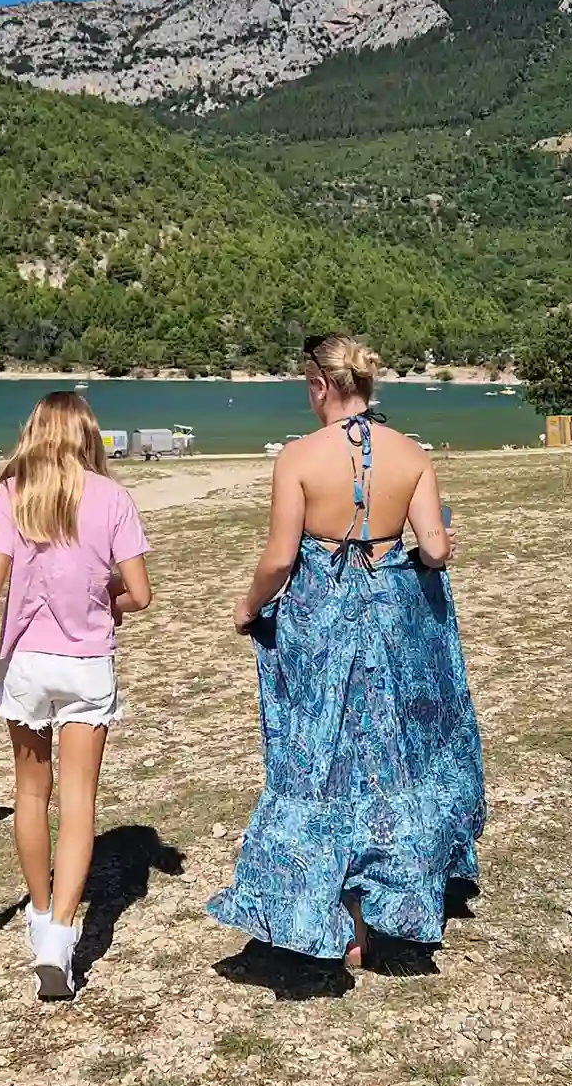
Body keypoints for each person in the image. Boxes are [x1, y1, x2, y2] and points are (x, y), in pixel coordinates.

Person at [207, 334, 485, 968]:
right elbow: (437, 550)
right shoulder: (411, 454)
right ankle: (390, 908)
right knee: (393, 760)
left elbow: (280, 558)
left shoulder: (298, 459)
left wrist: (248, 607)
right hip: (394, 628)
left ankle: (334, 918)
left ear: (320, 386)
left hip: (319, 630)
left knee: (320, 762)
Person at [0, 392, 151, 999]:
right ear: (87, 435)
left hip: (25, 665)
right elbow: (140, 593)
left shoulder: (12, 495)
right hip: (86, 666)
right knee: (79, 803)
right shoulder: (114, 498)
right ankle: (60, 937)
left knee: (30, 792)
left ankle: (40, 912)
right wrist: (107, 602)